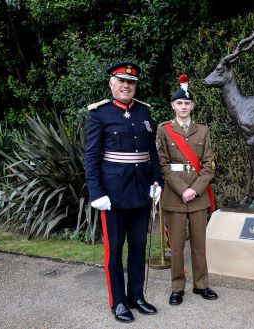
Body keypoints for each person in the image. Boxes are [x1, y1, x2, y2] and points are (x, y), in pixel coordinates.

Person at [84, 61, 163, 323]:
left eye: (131, 82)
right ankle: (118, 302)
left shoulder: (144, 112)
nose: (126, 86)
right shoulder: (99, 114)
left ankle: (136, 297)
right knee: (115, 250)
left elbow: (152, 153)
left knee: (139, 248)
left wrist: (157, 182)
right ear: (111, 84)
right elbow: (92, 157)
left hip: (141, 193)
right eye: (121, 81)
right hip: (113, 197)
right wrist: (97, 193)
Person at [156, 74, 218, 306]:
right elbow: (162, 166)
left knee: (200, 245)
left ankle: (201, 284)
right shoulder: (164, 130)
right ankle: (177, 287)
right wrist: (183, 190)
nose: (183, 106)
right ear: (173, 105)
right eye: (179, 103)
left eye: (187, 103)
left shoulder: (203, 130)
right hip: (175, 195)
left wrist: (195, 190)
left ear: (192, 106)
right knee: (177, 245)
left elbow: (209, 166)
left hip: (198, 197)